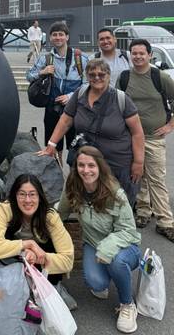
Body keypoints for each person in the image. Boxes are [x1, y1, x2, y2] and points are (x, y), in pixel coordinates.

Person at [38, 58, 144, 206]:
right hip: (88, 163)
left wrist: (139, 162)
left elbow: (137, 133)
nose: (97, 78)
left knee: (119, 205)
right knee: (90, 204)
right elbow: (65, 120)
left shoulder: (121, 99)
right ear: (87, 76)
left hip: (117, 164)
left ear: (108, 75)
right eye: (92, 74)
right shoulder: (80, 94)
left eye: (101, 74)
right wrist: (51, 145)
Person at [58, 146, 141, 334]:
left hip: (126, 247)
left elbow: (128, 231)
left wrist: (106, 250)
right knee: (96, 284)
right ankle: (111, 273)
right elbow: (60, 212)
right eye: (81, 165)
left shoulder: (115, 193)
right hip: (93, 244)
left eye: (91, 165)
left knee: (117, 261)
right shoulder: (73, 189)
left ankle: (128, 304)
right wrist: (39, 222)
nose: (85, 170)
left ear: (100, 167)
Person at [0, 174, 75, 310]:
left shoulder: (50, 216)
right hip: (15, 260)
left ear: (40, 197)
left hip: (41, 263)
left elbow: (67, 260)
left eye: (32, 194)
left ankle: (53, 287)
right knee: (3, 237)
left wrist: (36, 256)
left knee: (49, 244)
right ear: (14, 196)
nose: (27, 200)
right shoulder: (5, 210)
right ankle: (18, 289)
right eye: (22, 194)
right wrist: (27, 245)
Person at [116, 39, 174, 241]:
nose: (138, 56)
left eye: (142, 53)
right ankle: (142, 211)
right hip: (130, 137)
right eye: (134, 53)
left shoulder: (161, 77)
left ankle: (165, 221)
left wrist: (170, 125)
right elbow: (117, 104)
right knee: (137, 176)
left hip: (153, 137)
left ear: (150, 55)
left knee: (156, 178)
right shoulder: (124, 78)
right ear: (130, 55)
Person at [27, 21, 88, 157]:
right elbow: (29, 76)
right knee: (53, 146)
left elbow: (88, 83)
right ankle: (57, 175)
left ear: (67, 37)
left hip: (75, 109)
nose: (58, 37)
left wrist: (71, 96)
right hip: (52, 108)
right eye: (54, 35)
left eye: (61, 34)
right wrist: (42, 72)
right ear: (50, 38)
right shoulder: (45, 58)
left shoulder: (80, 58)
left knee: (78, 147)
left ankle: (75, 175)